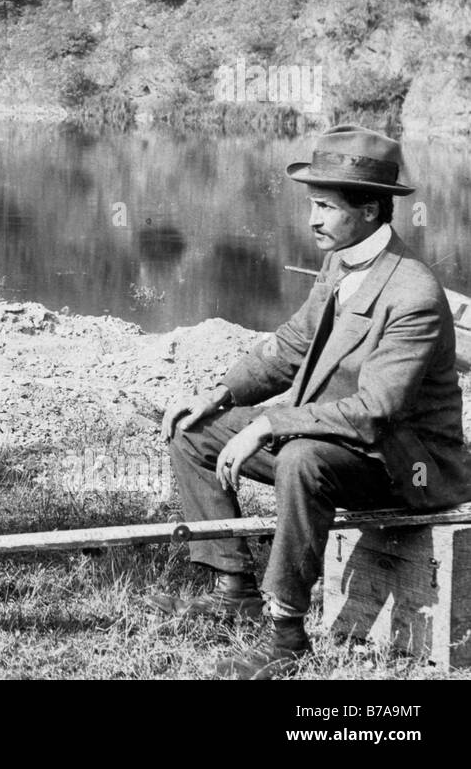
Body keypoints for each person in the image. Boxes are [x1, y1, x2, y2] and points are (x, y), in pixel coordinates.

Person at [153, 124, 471, 678]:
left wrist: (273, 423)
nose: (311, 219)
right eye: (312, 205)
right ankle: (234, 588)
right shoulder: (341, 260)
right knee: (194, 432)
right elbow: (293, 345)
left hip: (401, 461)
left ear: (370, 209)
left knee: (301, 459)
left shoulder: (412, 293)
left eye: (324, 206)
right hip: (333, 439)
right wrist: (218, 395)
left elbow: (376, 410)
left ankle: (286, 632)